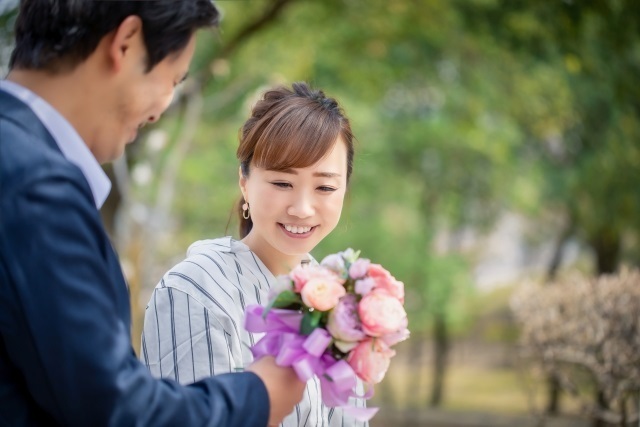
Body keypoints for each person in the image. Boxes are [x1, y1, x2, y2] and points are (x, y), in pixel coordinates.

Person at [0, 1, 305, 426]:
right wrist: (260, 394)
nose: (162, 108)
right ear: (125, 44)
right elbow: (116, 410)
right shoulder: (35, 186)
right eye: (172, 79)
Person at [141, 82, 369, 426]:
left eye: (324, 187)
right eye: (282, 183)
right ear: (244, 182)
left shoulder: (339, 301)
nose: (302, 209)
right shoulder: (196, 291)